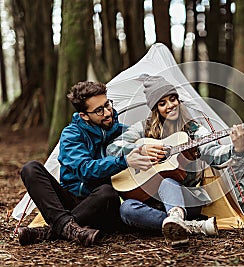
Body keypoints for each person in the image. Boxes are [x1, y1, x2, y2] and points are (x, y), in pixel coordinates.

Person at [107, 75, 244, 245]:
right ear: (155, 108)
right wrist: (139, 149)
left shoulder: (193, 130)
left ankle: (177, 218)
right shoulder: (143, 128)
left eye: (173, 99)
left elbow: (213, 153)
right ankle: (190, 227)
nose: (170, 106)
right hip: (152, 202)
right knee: (126, 209)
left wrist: (237, 148)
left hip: (187, 200)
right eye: (162, 103)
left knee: (167, 181)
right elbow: (113, 148)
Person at [17, 81, 154, 247]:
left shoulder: (121, 132)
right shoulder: (71, 134)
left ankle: (52, 231)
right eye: (99, 110)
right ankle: (69, 227)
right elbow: (85, 169)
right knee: (30, 168)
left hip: (101, 205)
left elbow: (149, 135)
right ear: (84, 115)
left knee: (107, 192)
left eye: (107, 105)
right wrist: (123, 161)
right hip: (71, 199)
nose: (107, 113)